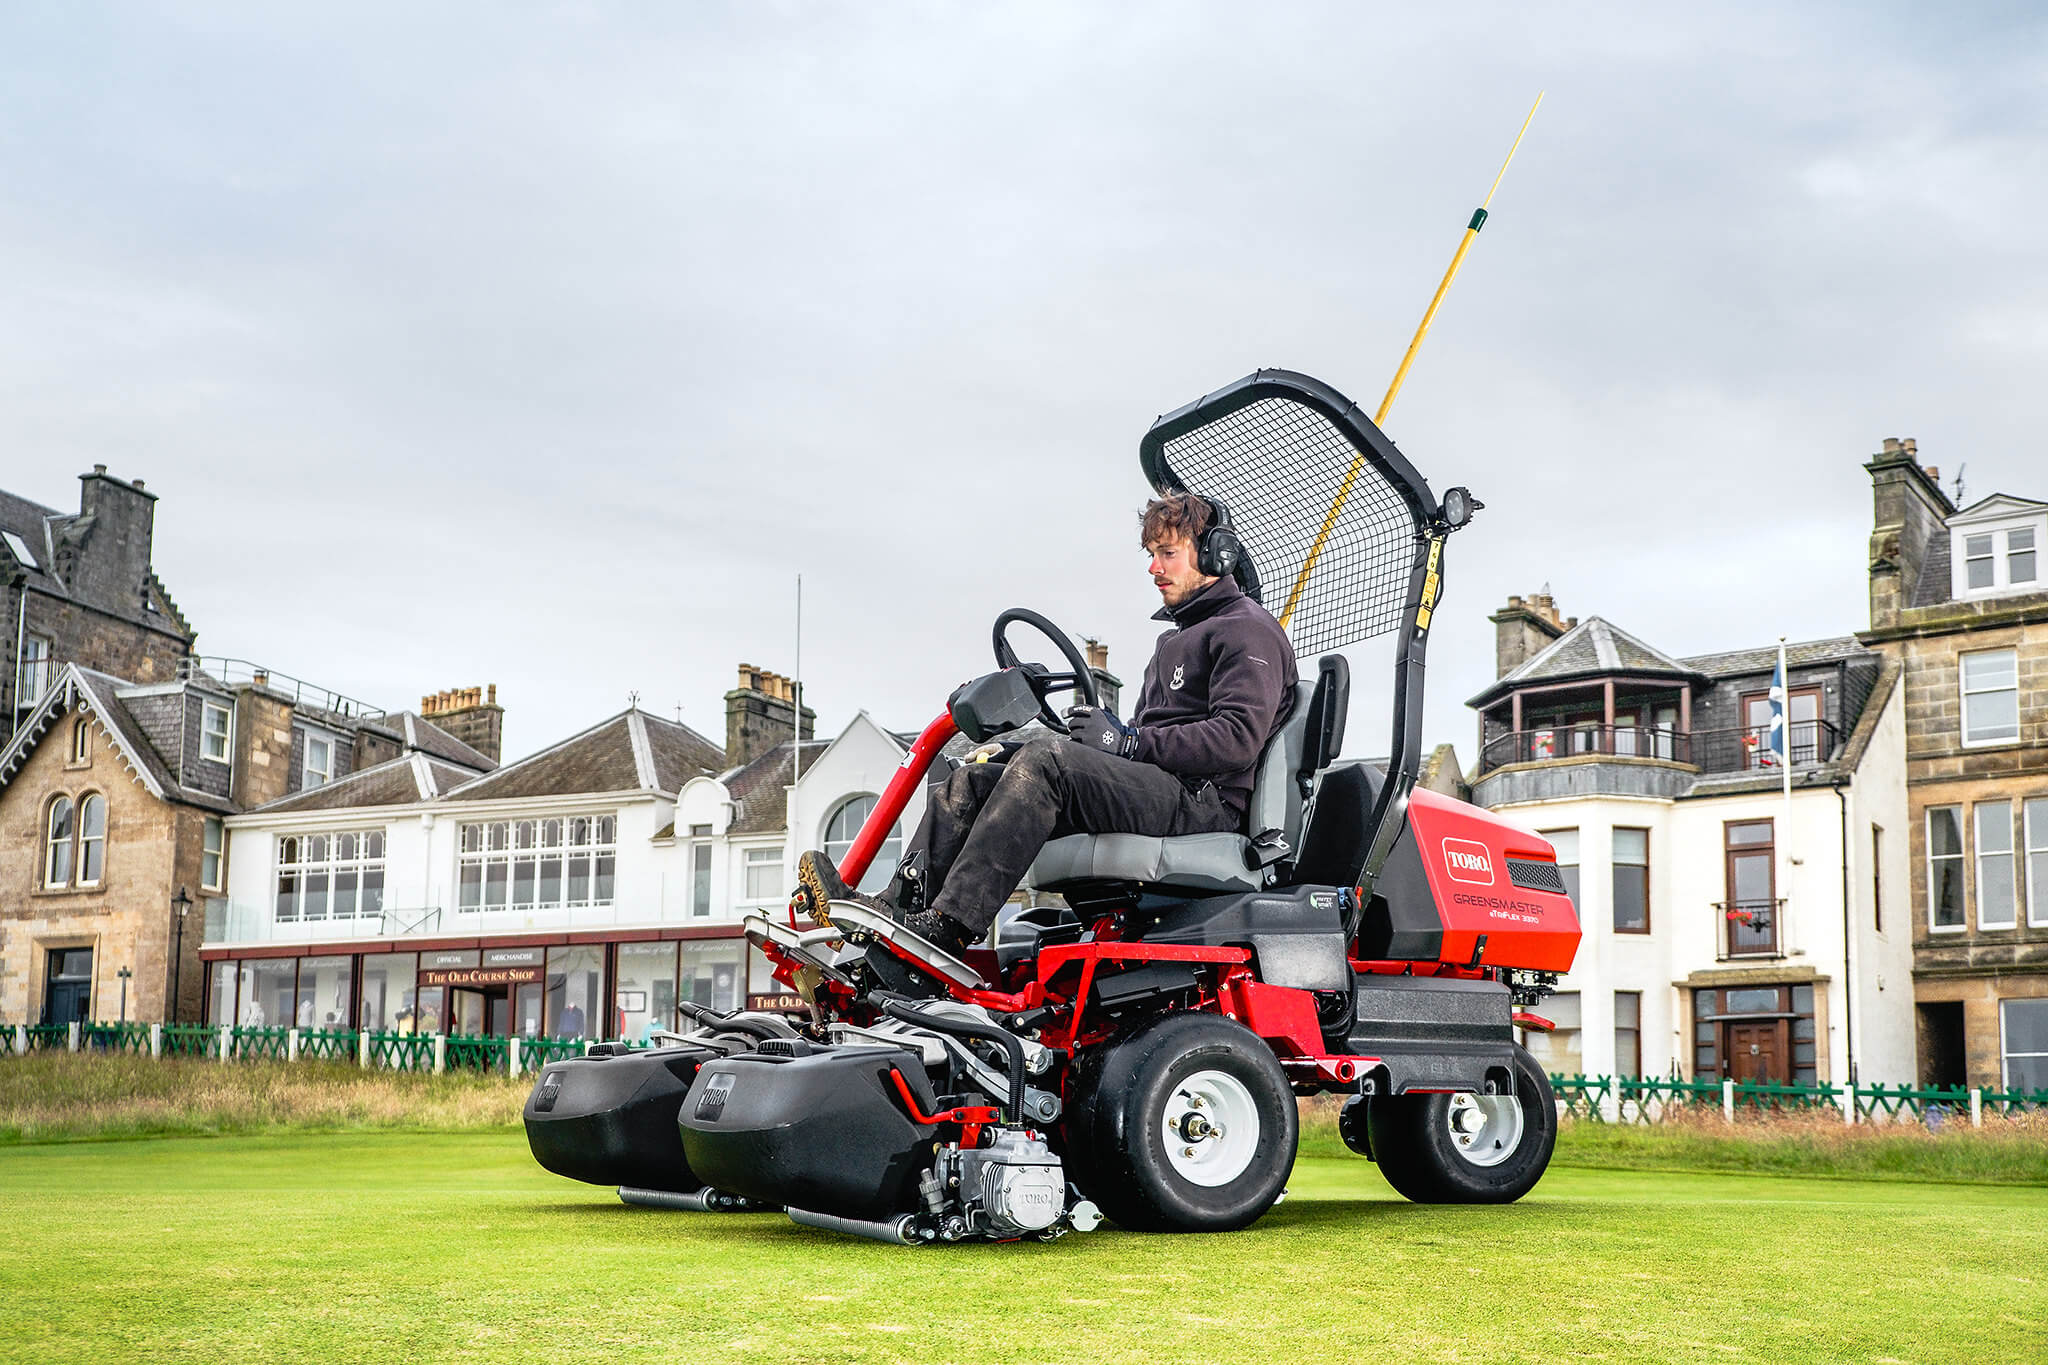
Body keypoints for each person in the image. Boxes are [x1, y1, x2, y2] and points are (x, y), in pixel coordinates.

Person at [800, 492, 1297, 953]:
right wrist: (1106, 744)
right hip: (1161, 789)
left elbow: (1237, 740)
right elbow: (1141, 744)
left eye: (1167, 553)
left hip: (1204, 802)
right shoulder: (1172, 642)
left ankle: (946, 930)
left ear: (1214, 555)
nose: (1153, 567)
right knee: (977, 776)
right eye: (1151, 554)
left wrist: (1125, 743)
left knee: (1046, 763)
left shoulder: (1247, 631)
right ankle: (896, 911)